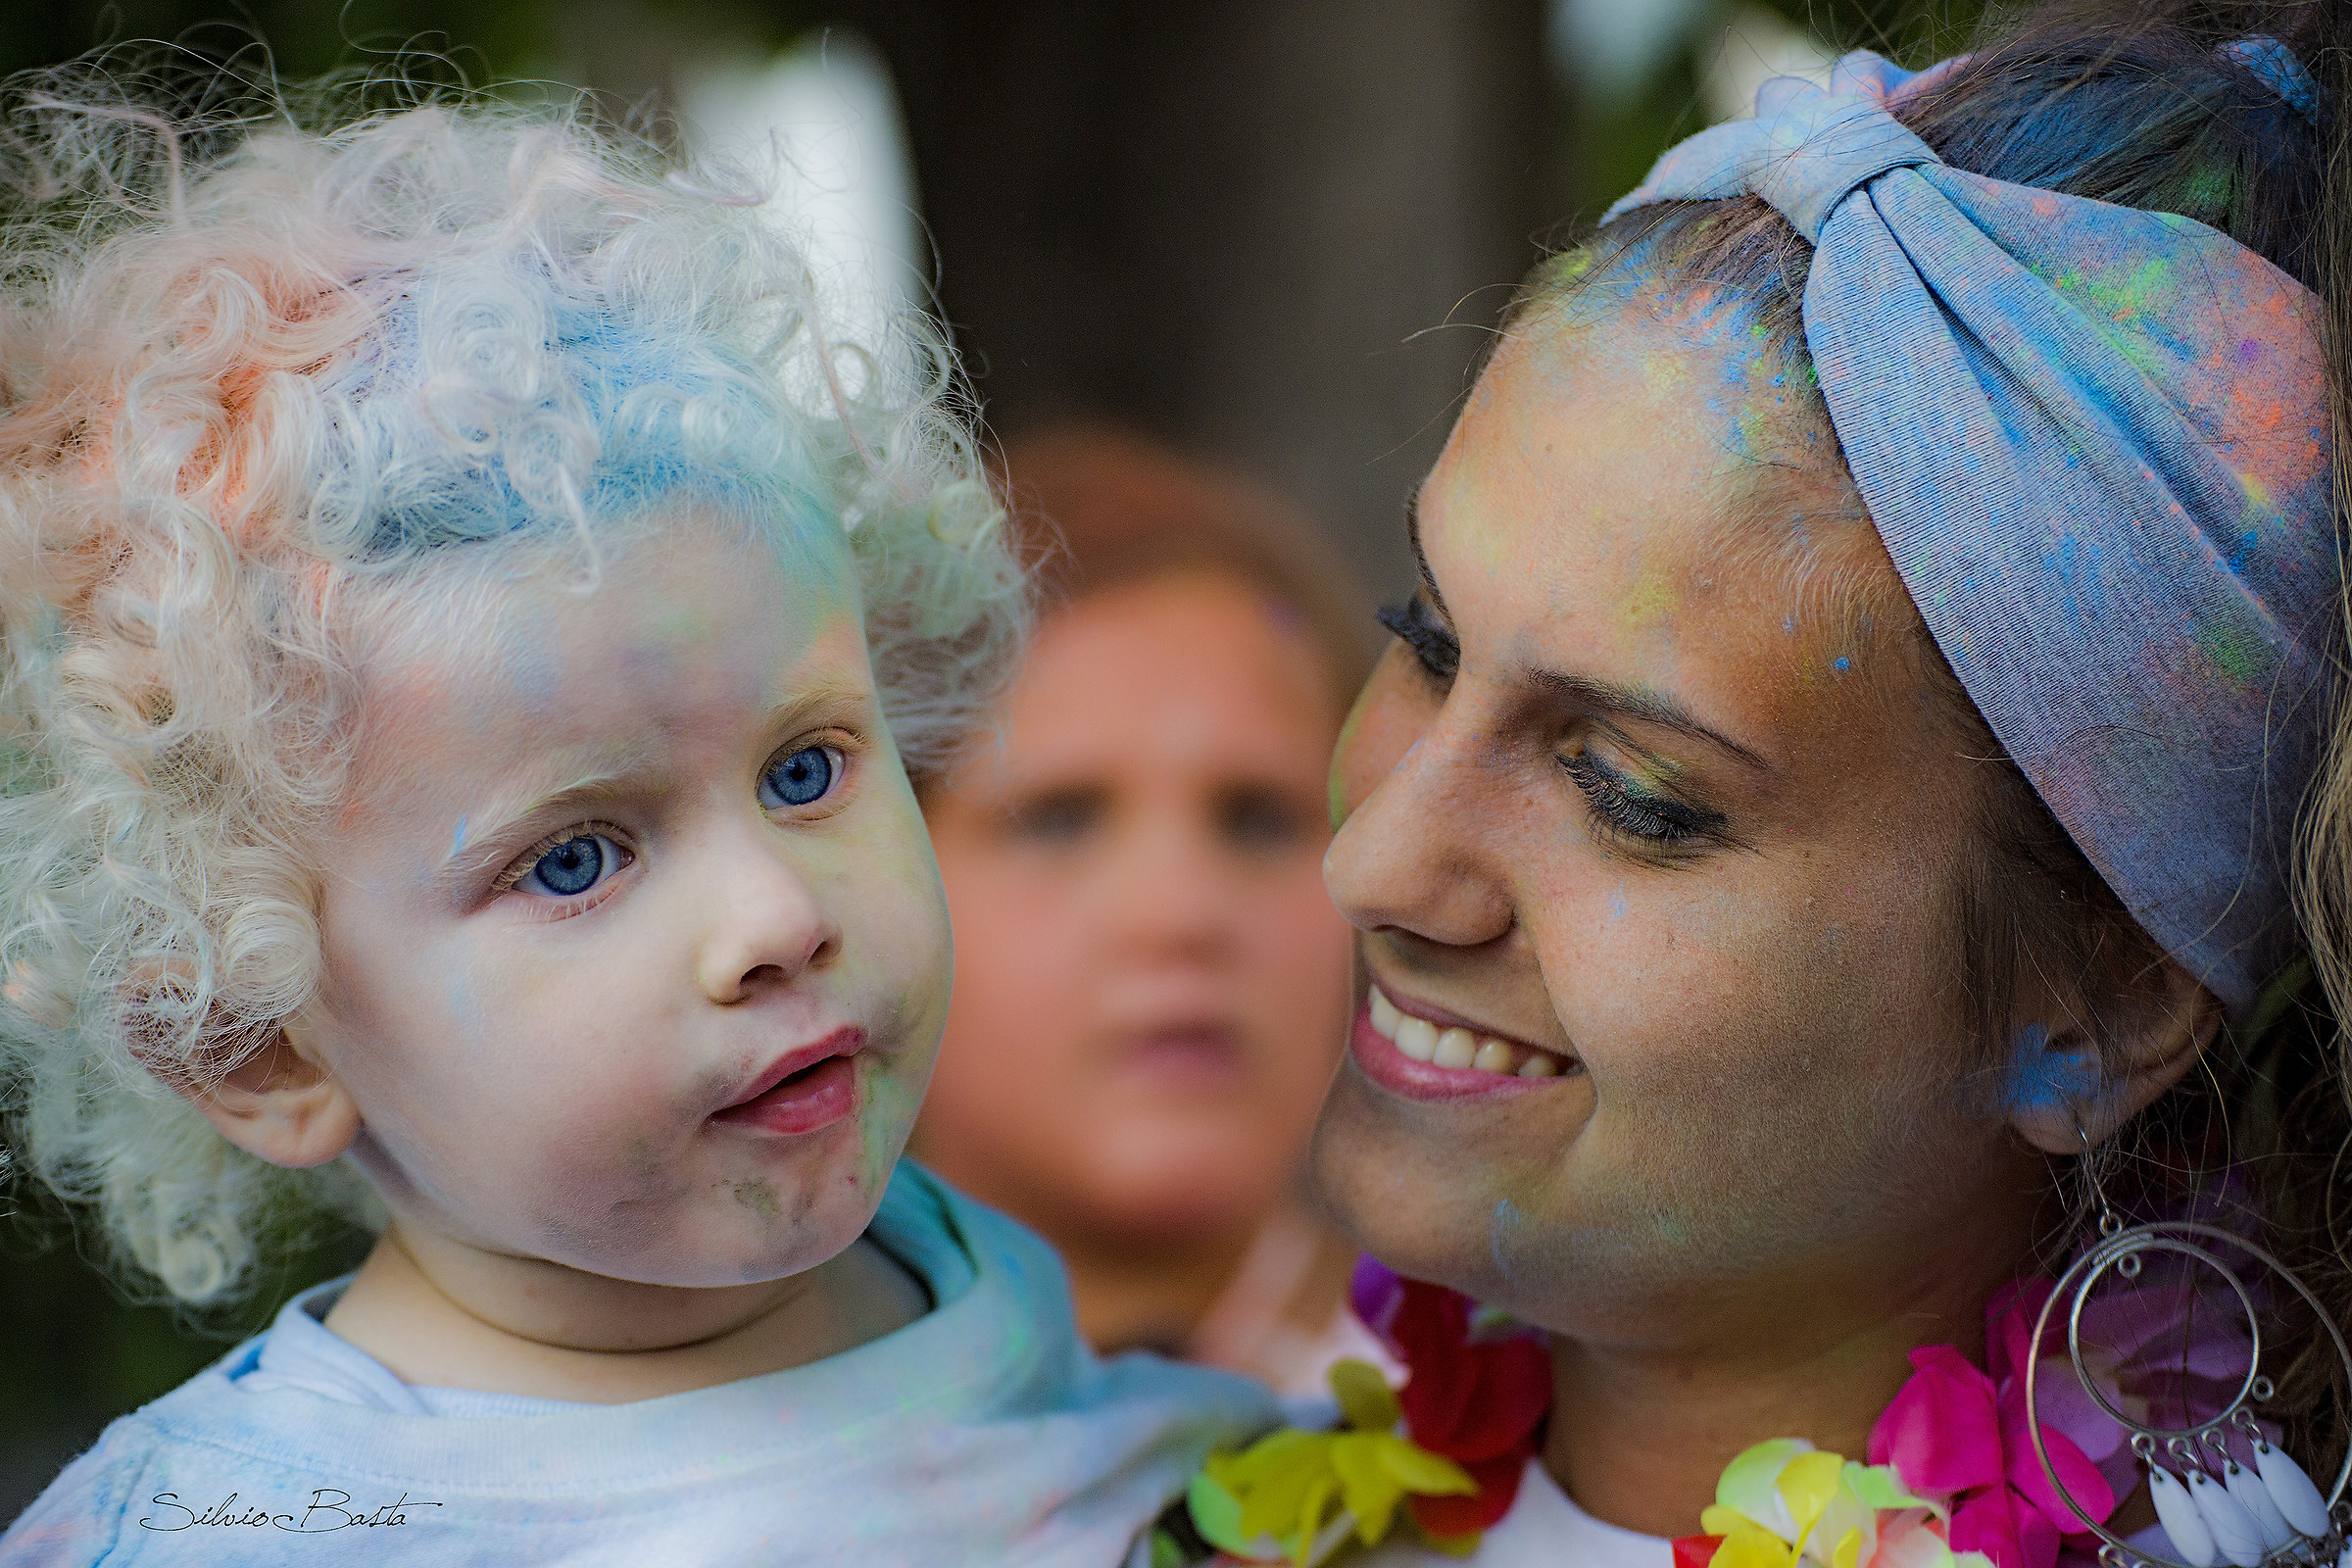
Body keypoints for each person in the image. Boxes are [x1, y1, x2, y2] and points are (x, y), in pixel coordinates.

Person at [0, 73, 1274, 1566]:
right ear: (263, 1039)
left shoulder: (1014, 1319)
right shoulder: (239, 1535)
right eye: (576, 858)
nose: (780, 918)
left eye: (805, 769)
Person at [1157, 5, 2352, 1567]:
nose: (1375, 863)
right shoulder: (1116, 1501)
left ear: (2100, 1010)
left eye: (1634, 792)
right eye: (1427, 643)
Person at [913, 426, 1389, 1396]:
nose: (1180, 913)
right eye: (1058, 819)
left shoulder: (1557, 1450)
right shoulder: (687, 1463)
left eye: (1259, 820)